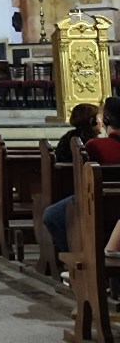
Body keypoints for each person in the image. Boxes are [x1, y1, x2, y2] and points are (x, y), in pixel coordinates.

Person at [43, 97, 115, 255]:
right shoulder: (93, 143)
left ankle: (76, 255)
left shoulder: (93, 145)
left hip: (96, 198)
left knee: (51, 215)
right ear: (93, 121)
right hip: (108, 197)